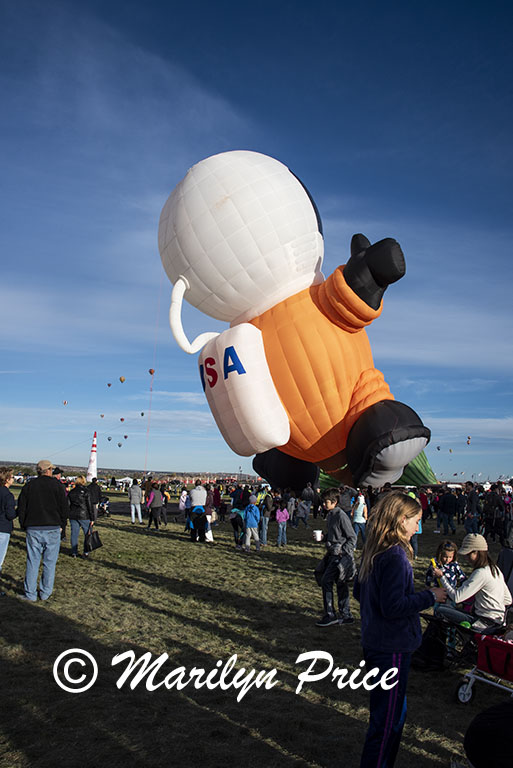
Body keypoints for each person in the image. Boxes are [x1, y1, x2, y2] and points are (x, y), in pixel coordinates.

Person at [354, 491, 446, 767]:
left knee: (393, 712)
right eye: (416, 521)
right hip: (390, 646)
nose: (419, 527)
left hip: (375, 641)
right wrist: (430, 596)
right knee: (388, 721)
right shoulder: (395, 555)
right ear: (401, 520)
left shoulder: (375, 549)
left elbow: (360, 592)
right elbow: (393, 606)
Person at [433, 533, 512, 631]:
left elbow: (457, 597)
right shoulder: (495, 570)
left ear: (476, 552)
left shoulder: (481, 573)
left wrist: (442, 577)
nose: (467, 559)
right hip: (497, 622)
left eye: (468, 555)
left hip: (484, 622)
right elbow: (508, 599)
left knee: (440, 610)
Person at [16, 459, 69, 602]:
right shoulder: (58, 486)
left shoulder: (29, 486)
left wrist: (23, 524)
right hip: (52, 528)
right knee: (49, 563)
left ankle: (31, 594)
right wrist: (62, 526)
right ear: (49, 470)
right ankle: (45, 592)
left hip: (34, 527)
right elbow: (64, 509)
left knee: (33, 561)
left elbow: (22, 507)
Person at [316, 488, 357, 627]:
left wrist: (343, 552)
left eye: (326, 502)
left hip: (339, 556)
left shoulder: (341, 516)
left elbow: (352, 537)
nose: (323, 505)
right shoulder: (331, 515)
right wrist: (323, 538)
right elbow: (334, 536)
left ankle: (330, 614)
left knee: (327, 581)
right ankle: (346, 615)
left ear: (334, 502)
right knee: (340, 583)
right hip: (331, 553)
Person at [67, 476, 94, 557]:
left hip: (73, 515)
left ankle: (74, 552)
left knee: (74, 534)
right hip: (84, 515)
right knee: (87, 534)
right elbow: (89, 505)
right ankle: (85, 551)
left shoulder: (71, 492)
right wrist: (92, 518)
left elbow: (68, 504)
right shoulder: (86, 491)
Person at [0, 467, 17, 596]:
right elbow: (10, 515)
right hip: (3, 528)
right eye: (11, 477)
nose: (13, 479)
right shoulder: (7, 495)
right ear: (6, 479)